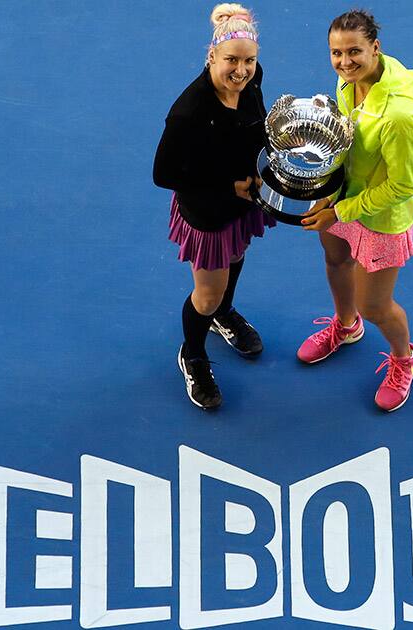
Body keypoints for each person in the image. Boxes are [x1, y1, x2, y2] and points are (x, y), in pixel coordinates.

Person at [299, 9, 413, 412]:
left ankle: (405, 359)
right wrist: (324, 189)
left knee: (375, 305)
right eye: (336, 53)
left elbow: (404, 186)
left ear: (376, 47)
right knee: (335, 263)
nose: (344, 62)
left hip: (379, 219)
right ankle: (346, 325)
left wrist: (341, 212)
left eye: (354, 52)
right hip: (340, 199)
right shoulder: (348, 82)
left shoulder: (401, 117)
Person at [153, 3, 271, 410]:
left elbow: (255, 131)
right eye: (231, 61)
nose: (241, 71)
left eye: (249, 61)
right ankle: (194, 355)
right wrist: (228, 185)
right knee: (206, 294)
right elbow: (164, 174)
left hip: (243, 201)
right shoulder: (188, 112)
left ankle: (224, 314)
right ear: (211, 58)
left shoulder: (251, 84)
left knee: (237, 255)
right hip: (207, 212)